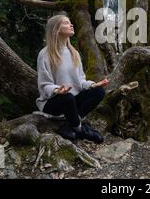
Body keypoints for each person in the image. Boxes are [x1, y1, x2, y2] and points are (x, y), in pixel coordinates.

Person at [36, 14, 109, 143]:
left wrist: (92, 85)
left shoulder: (73, 53)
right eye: (66, 23)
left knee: (99, 92)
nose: (71, 25)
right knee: (67, 98)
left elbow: (80, 81)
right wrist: (57, 90)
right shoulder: (45, 54)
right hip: (53, 102)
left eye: (70, 22)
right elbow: (44, 85)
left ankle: (69, 126)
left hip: (72, 100)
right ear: (56, 29)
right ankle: (80, 129)